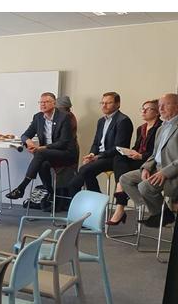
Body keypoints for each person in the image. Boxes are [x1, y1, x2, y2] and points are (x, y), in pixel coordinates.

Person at [120, 93, 178, 228]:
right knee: (125, 179)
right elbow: (155, 154)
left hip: (171, 172)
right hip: (156, 168)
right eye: (159, 105)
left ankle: (160, 213)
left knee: (144, 186)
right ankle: (160, 212)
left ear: (176, 106)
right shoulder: (161, 128)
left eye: (165, 105)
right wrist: (146, 167)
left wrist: (164, 172)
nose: (161, 108)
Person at [5, 92, 77, 200]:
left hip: (66, 153)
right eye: (41, 102)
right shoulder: (38, 117)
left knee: (40, 152)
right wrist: (28, 141)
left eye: (46, 102)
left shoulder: (64, 117)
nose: (43, 104)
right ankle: (50, 193)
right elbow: (25, 135)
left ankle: (22, 187)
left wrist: (43, 148)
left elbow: (63, 142)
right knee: (42, 165)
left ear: (54, 103)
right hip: (46, 154)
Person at [107, 99, 162, 225]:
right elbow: (137, 147)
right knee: (118, 158)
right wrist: (130, 152)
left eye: (147, 109)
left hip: (149, 162)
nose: (143, 111)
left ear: (157, 112)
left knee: (122, 174)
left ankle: (120, 205)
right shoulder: (141, 128)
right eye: (142, 108)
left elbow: (157, 152)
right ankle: (121, 186)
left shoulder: (160, 128)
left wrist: (141, 156)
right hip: (138, 159)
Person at [67, 92, 133, 196]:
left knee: (83, 172)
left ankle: (75, 194)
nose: (104, 105)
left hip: (114, 158)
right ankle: (98, 199)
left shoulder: (123, 120)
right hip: (100, 157)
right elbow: (96, 143)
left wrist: (99, 156)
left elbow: (119, 147)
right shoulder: (101, 121)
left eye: (108, 103)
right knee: (87, 171)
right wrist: (92, 154)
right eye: (102, 103)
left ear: (117, 104)